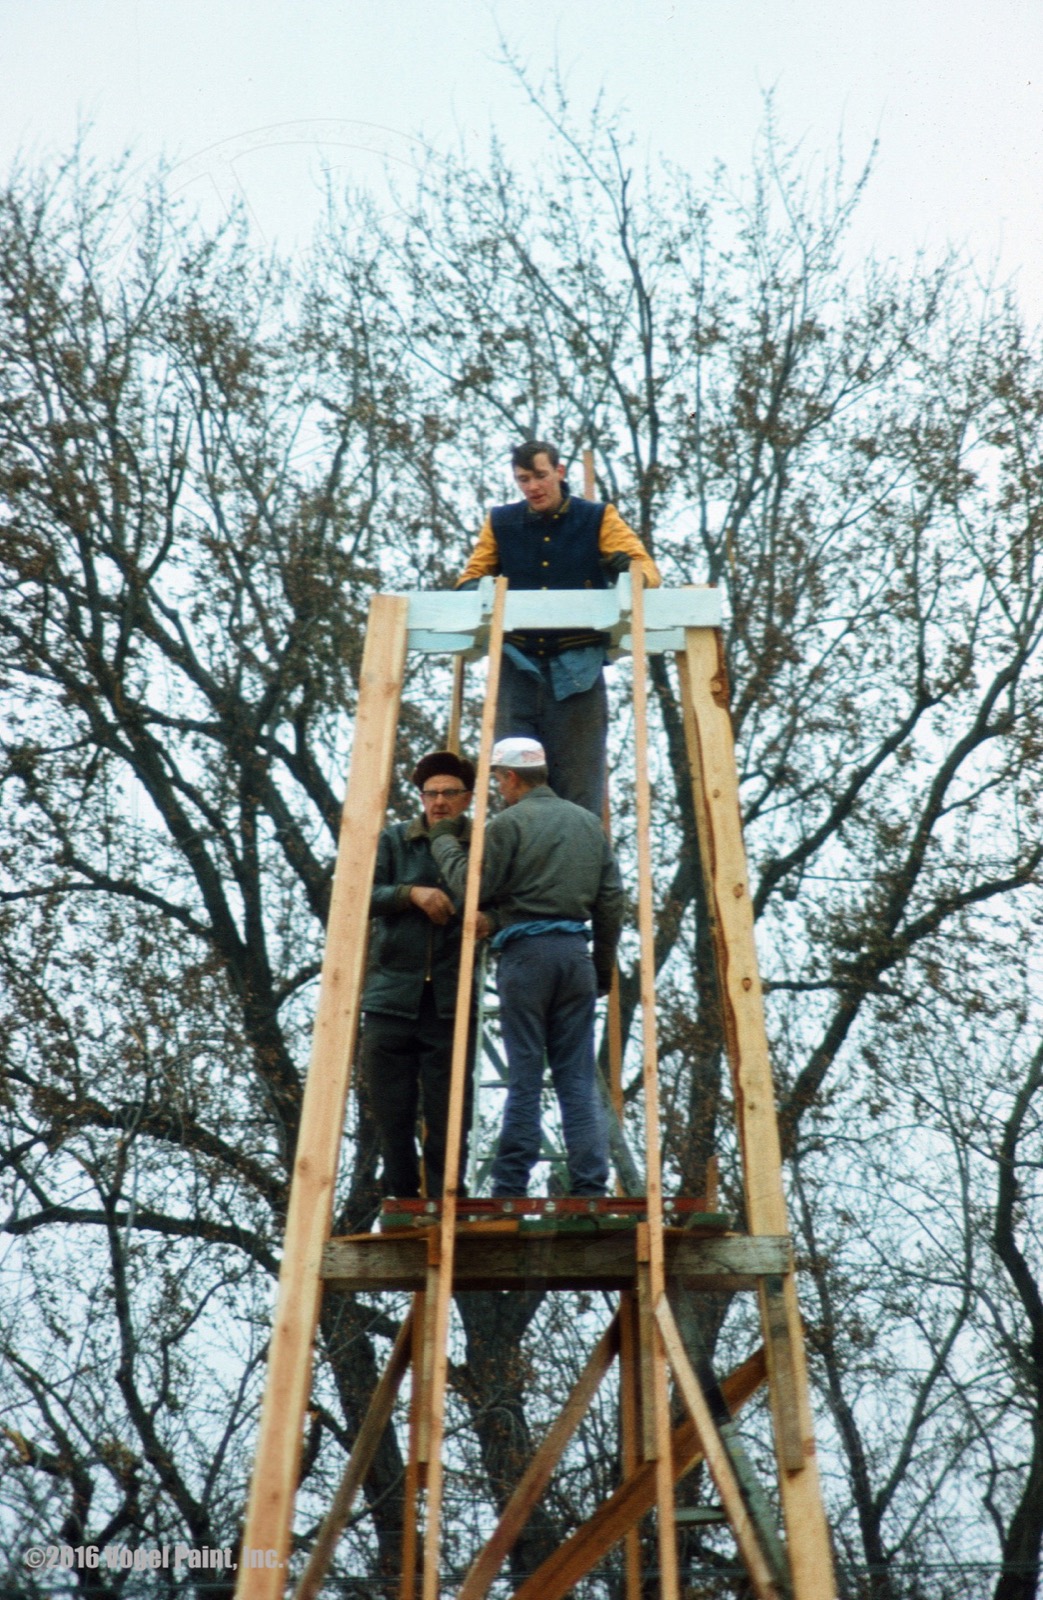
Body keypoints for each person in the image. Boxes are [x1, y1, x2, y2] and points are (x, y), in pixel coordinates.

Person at [429, 737, 624, 1198]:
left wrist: (444, 842)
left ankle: (510, 1185)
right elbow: (611, 901)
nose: (498, 788)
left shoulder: (508, 824)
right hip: (575, 958)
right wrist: (601, 970)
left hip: (526, 959)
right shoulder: (587, 824)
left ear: (511, 776)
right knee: (577, 1077)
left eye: (498, 779)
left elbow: (473, 888)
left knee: (526, 1077)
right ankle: (590, 1187)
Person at [454, 440, 661, 816]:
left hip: (577, 667)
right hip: (518, 664)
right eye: (523, 479)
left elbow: (646, 570)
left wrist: (626, 570)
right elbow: (471, 576)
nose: (533, 487)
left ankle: (578, 850)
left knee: (579, 786)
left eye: (540, 476)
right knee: (513, 778)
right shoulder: (501, 521)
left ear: (559, 472)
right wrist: (476, 591)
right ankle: (519, 850)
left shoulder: (597, 517)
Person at [360, 750, 479, 1199]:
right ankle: (402, 1200)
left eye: (450, 792)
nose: (439, 801)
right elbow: (359, 894)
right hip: (390, 998)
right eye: (431, 793)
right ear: (421, 798)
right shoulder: (394, 841)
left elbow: (500, 900)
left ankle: (447, 1201)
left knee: (450, 1112)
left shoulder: (481, 845)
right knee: (390, 1110)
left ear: (467, 798)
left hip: (451, 1002)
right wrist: (410, 894)